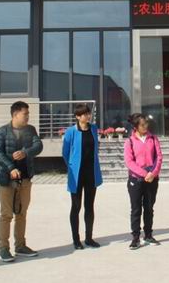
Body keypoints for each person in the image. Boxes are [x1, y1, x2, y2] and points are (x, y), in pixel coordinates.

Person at [0, 100, 44, 262]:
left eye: (28, 114)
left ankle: (20, 246)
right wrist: (10, 168)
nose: (28, 116)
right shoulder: (2, 131)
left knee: (22, 213)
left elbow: (38, 146)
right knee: (6, 214)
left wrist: (25, 152)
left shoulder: (30, 130)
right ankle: (4, 248)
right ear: (15, 114)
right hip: (6, 180)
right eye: (25, 114)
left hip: (25, 179)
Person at [62, 103, 103, 250]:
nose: (88, 116)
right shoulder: (71, 132)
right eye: (85, 114)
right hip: (77, 175)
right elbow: (65, 153)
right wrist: (72, 167)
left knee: (89, 206)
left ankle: (89, 238)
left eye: (88, 113)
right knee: (76, 206)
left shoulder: (93, 129)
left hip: (91, 173)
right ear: (78, 117)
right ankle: (76, 239)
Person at [124, 113, 164, 250]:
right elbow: (129, 162)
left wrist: (153, 173)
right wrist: (144, 174)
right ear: (135, 126)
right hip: (136, 179)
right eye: (142, 124)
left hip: (152, 179)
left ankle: (148, 235)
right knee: (136, 209)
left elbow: (159, 157)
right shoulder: (129, 141)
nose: (145, 126)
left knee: (149, 208)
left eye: (146, 123)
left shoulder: (153, 138)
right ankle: (135, 238)